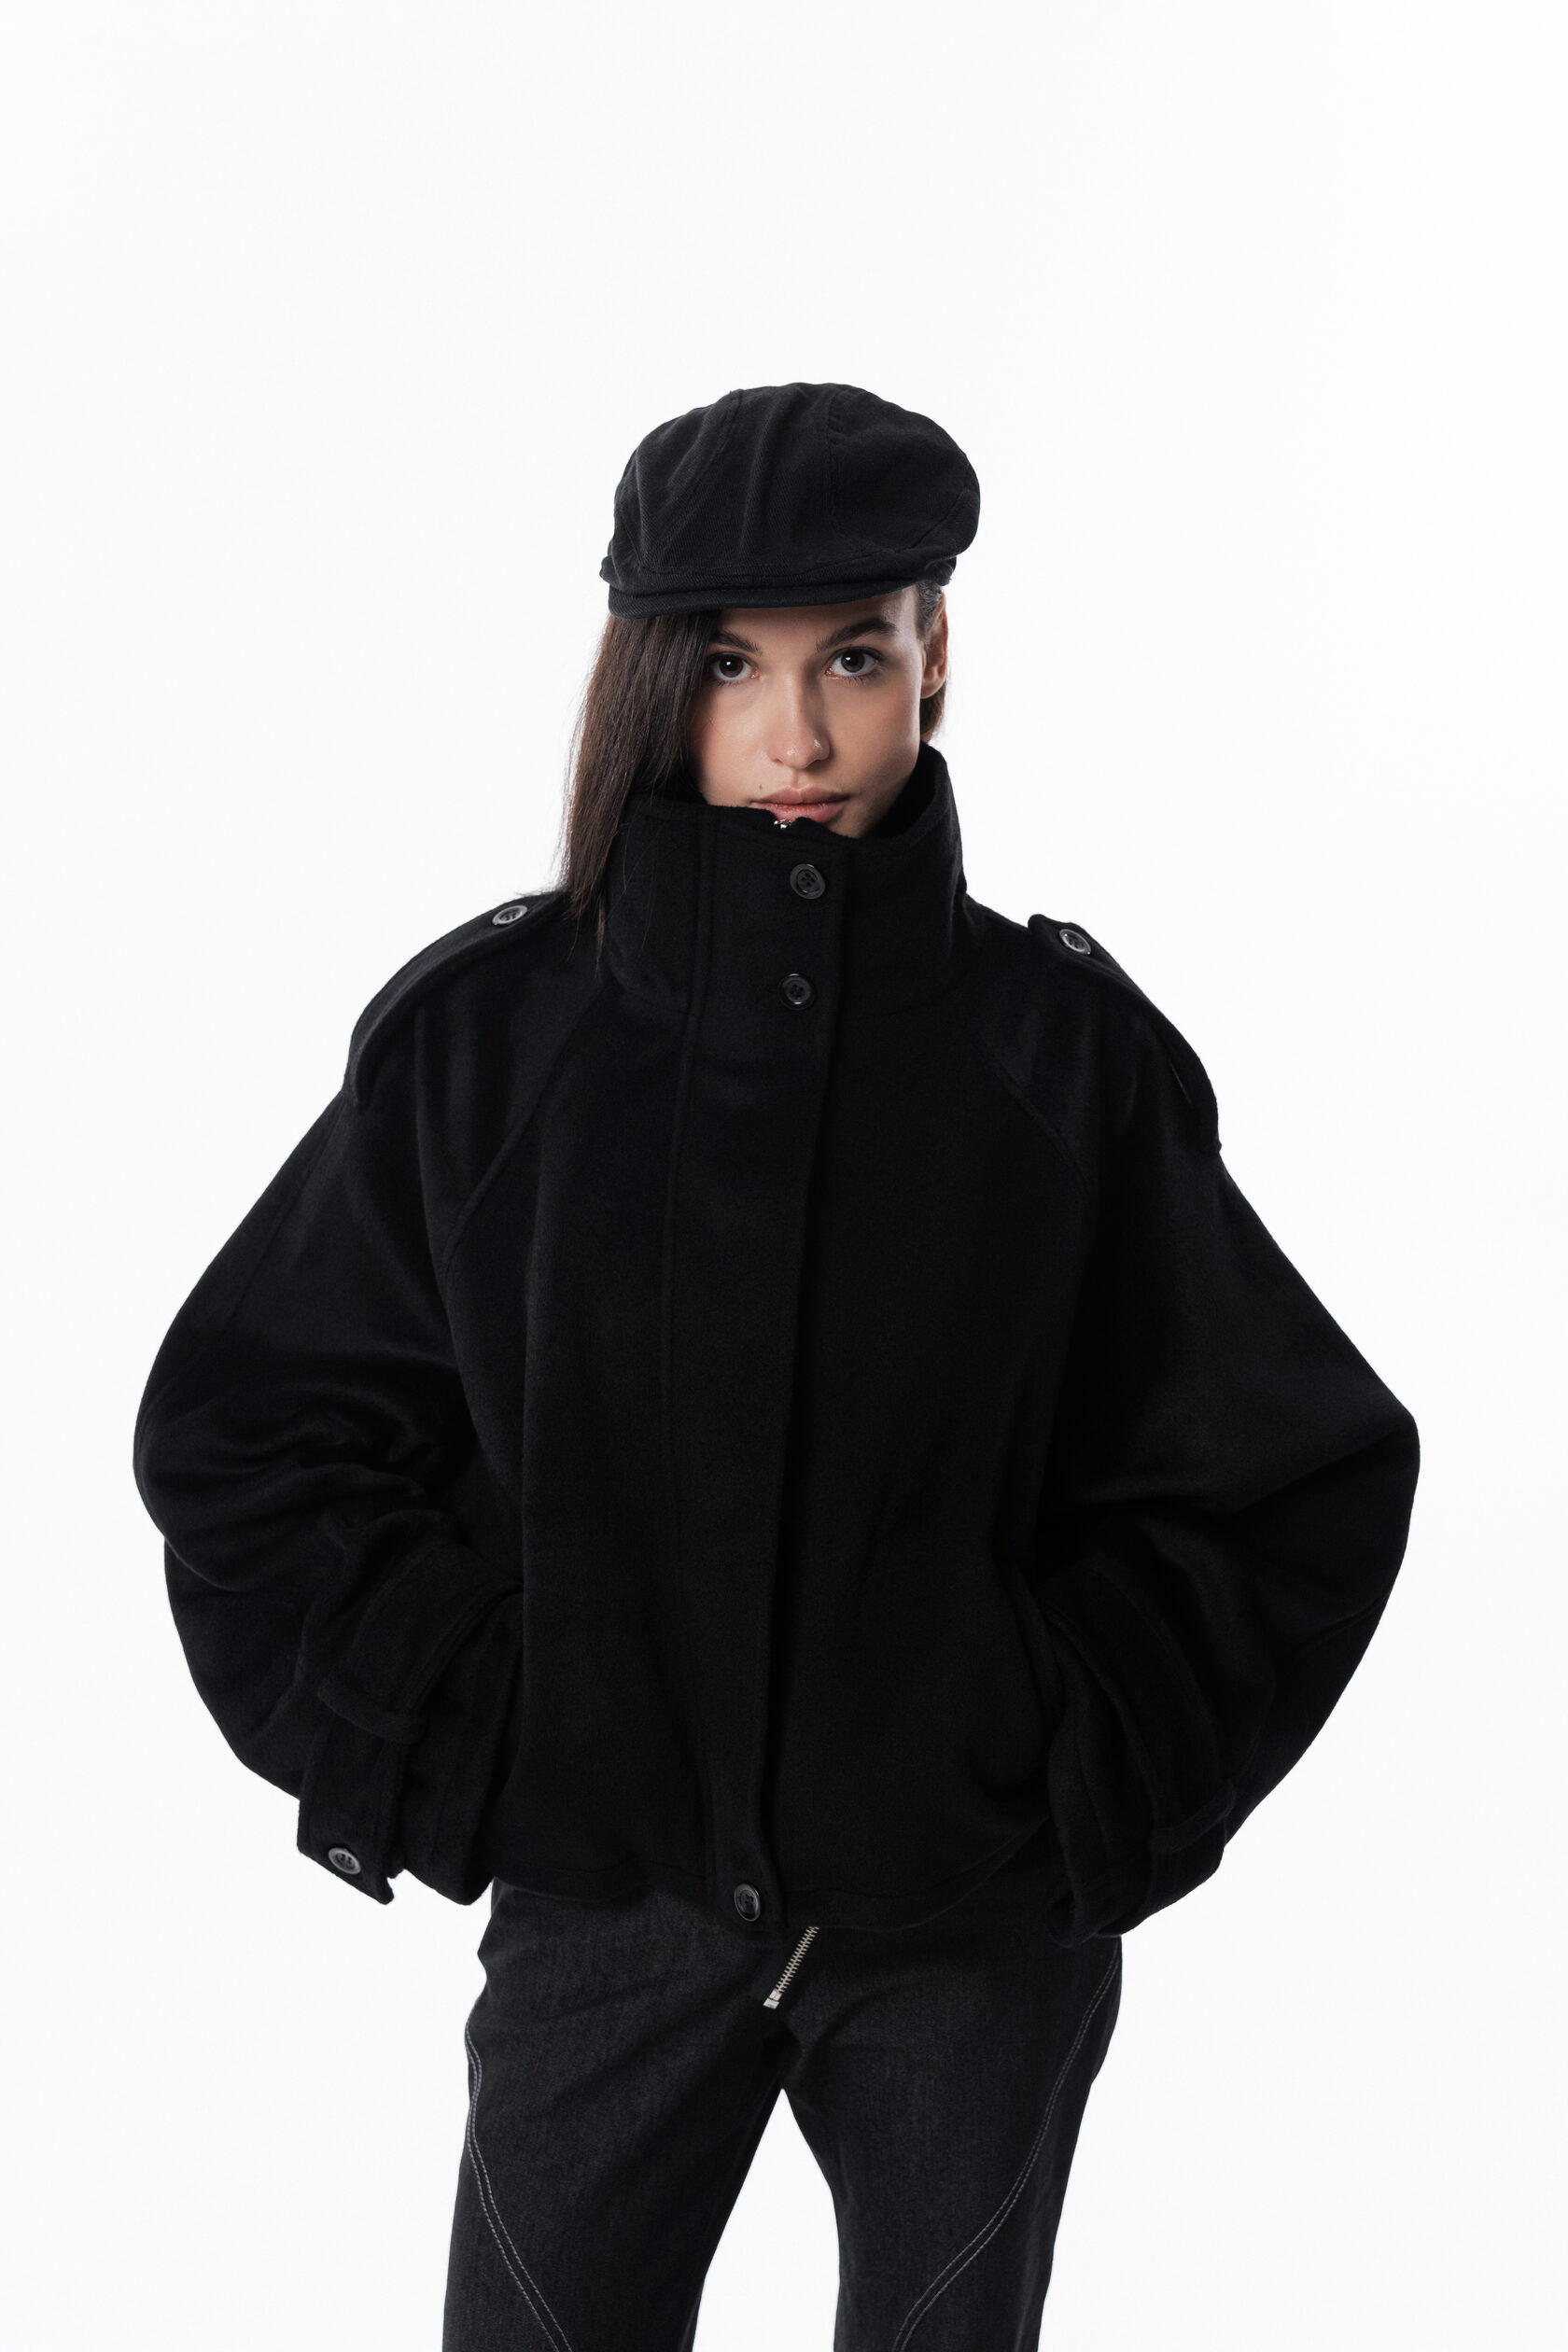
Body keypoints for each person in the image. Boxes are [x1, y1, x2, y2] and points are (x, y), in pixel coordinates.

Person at [133, 381, 1421, 2350]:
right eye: (734, 664)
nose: (798, 734)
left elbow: (1290, 1472)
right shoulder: (492, 1047)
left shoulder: (1059, 1060)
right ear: (655, 673)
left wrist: (1052, 1759)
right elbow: (251, 1430)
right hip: (608, 1915)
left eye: (856, 658)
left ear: (936, 656)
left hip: (967, 1937)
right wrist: (489, 1730)